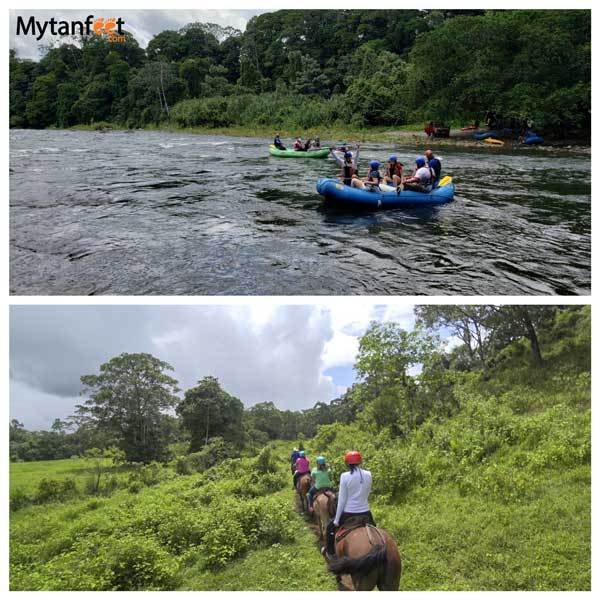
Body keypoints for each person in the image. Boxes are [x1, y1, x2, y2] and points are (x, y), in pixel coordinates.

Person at [323, 451, 375, 560]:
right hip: (366, 512)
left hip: (348, 513)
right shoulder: (369, 474)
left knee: (329, 528)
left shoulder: (345, 476)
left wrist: (337, 520)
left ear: (347, 463)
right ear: (360, 462)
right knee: (375, 530)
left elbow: (342, 500)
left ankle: (331, 554)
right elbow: (367, 493)